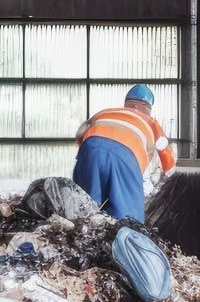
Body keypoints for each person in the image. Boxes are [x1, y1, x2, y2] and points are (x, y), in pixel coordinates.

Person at [73, 84, 176, 223]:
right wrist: (169, 173)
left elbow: (81, 134)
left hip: (90, 149)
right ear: (148, 108)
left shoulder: (106, 112)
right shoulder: (151, 122)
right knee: (128, 220)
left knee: (83, 209)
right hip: (125, 157)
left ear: (126, 104)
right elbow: (165, 151)